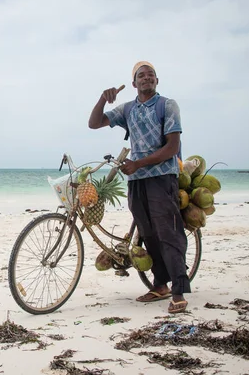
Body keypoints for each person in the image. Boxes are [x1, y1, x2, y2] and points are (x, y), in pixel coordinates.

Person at [88, 61, 190, 314]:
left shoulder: (167, 105)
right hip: (136, 181)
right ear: (133, 83)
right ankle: (160, 285)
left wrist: (140, 163)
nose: (146, 78)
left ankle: (178, 291)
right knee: (148, 234)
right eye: (141, 76)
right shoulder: (128, 109)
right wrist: (103, 98)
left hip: (162, 177)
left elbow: (172, 147)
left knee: (168, 233)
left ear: (157, 81)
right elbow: (94, 123)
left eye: (151, 75)